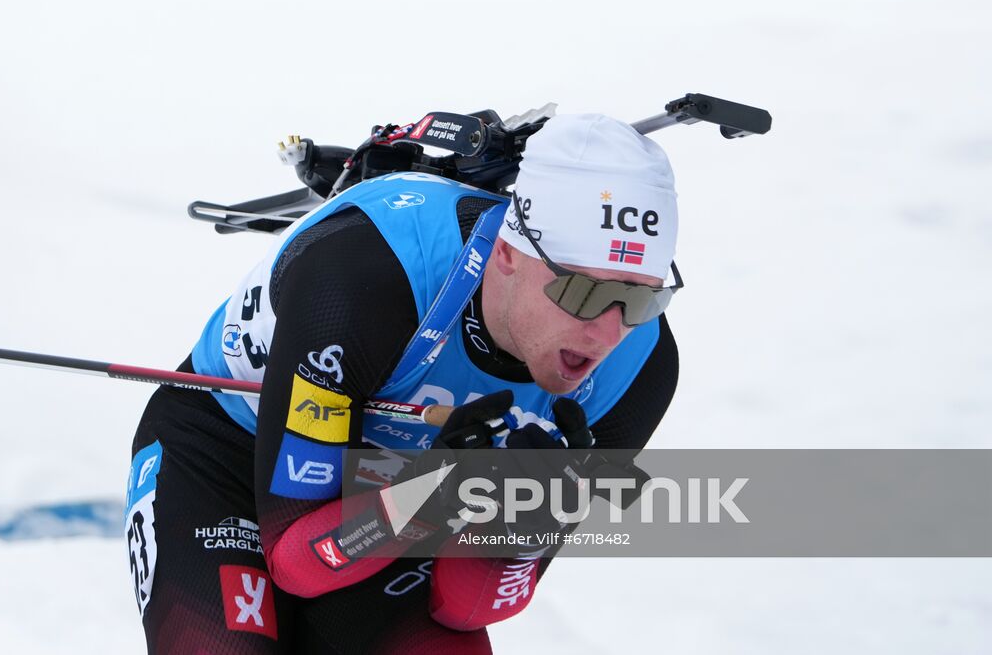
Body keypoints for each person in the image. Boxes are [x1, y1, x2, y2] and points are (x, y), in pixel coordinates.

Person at [125, 113, 682, 653]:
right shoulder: (368, 277)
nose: (609, 330)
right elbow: (298, 562)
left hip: (391, 488)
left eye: (640, 298)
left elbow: (466, 610)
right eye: (581, 292)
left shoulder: (639, 366)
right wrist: (444, 496)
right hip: (221, 455)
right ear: (509, 254)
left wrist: (517, 526)